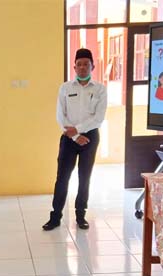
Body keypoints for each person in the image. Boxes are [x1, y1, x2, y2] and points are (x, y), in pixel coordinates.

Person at [43, 48, 107, 231]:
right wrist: (75, 135)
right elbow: (60, 115)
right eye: (79, 64)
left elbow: (99, 118)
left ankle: (80, 216)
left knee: (84, 177)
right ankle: (55, 217)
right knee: (62, 178)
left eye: (86, 64)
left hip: (90, 138)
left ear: (92, 66)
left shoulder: (100, 89)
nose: (82, 67)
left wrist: (78, 131)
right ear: (74, 67)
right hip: (68, 137)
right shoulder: (65, 88)